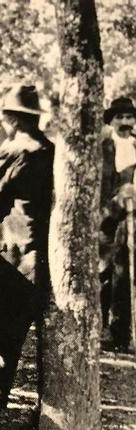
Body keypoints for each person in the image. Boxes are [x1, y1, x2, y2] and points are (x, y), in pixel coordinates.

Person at [0, 84, 54, 428]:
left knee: (6, 336)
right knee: (41, 342)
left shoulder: (16, 150)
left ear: (10, 119)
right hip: (47, 255)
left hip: (20, 257)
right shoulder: (51, 149)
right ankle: (41, 413)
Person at [100, 97, 136, 353]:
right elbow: (101, 188)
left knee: (126, 278)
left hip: (132, 221)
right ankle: (100, 328)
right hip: (107, 222)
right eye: (119, 117)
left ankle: (123, 331)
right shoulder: (104, 148)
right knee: (104, 274)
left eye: (129, 117)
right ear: (111, 121)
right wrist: (115, 202)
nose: (125, 122)